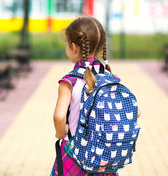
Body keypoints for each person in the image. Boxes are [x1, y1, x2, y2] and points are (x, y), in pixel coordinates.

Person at [51, 16, 139, 176]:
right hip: (104, 159)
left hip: (75, 157)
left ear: (73, 46)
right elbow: (136, 112)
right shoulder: (111, 78)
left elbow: (59, 117)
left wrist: (61, 133)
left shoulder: (70, 81)